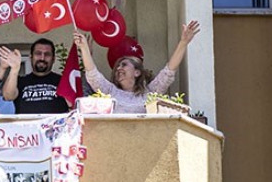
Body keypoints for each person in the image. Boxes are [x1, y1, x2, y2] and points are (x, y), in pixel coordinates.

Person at [73, 20, 201, 113]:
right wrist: (83, 48)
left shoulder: (150, 93)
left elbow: (169, 71)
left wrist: (184, 42)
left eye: (124, 65)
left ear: (137, 73)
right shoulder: (110, 92)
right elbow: (93, 75)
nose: (118, 68)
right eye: (117, 67)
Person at [0, 38, 69, 114]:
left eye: (47, 54)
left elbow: (74, 105)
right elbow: (8, 96)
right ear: (30, 57)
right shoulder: (21, 81)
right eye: (38, 53)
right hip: (25, 125)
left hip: (56, 125)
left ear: (53, 59)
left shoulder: (63, 81)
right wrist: (15, 69)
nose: (42, 58)